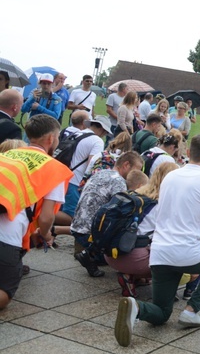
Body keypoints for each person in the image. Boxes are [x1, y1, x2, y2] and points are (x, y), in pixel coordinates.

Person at [114, 134, 200, 347]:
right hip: (187, 252)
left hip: (159, 252)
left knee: (162, 313)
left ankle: (136, 307)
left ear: (187, 152)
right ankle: (191, 310)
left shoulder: (170, 178)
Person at [0, 115, 71, 310]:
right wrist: (45, 233)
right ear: (50, 139)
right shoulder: (54, 167)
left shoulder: (6, 155)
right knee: (5, 293)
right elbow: (46, 217)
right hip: (6, 237)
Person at [106, 162, 179, 297]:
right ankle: (162, 286)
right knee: (179, 258)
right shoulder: (163, 203)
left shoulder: (134, 194)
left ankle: (133, 277)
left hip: (111, 254)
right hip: (135, 259)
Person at [70, 151, 144, 278]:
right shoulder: (118, 181)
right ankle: (90, 254)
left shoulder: (101, 173)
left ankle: (89, 253)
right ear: (126, 165)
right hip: (91, 235)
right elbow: (121, 211)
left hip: (78, 227)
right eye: (136, 170)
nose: (136, 174)